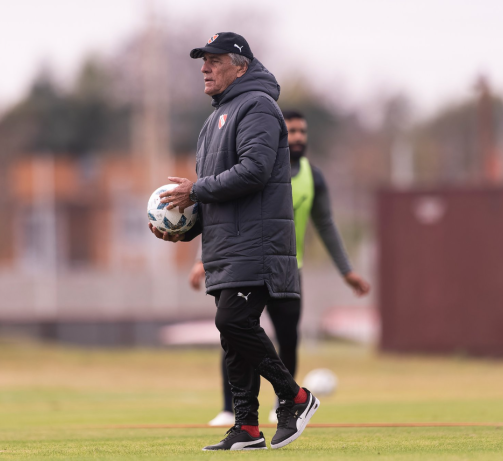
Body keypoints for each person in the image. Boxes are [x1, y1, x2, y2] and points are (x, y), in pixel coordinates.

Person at [148, 32, 319, 451]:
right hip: (226, 248)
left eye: (215, 60)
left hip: (256, 243)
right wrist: (182, 228)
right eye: (203, 61)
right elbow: (215, 195)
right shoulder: (215, 118)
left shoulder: (258, 106)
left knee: (233, 322)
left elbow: (255, 171)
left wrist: (196, 190)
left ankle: (296, 397)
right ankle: (247, 427)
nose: (204, 68)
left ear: (240, 66)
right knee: (232, 338)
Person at [191, 110, 371, 427]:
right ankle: (230, 408)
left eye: (302, 131)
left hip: (289, 269)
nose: (299, 137)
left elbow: (325, 224)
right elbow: (222, 212)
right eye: (292, 131)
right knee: (235, 329)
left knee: (287, 338)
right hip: (248, 265)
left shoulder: (312, 178)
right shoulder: (254, 172)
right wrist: (200, 259)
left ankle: (283, 404)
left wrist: (346, 271)